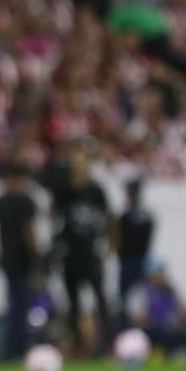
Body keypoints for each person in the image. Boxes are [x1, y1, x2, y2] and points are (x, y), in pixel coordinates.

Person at [51, 146, 113, 354]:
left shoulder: (96, 191)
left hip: (91, 252)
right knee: (73, 303)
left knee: (101, 299)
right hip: (70, 254)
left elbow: (109, 218)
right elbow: (53, 216)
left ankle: (106, 342)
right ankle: (79, 345)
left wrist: (110, 245)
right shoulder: (63, 190)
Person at [0, 162, 39, 360]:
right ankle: (19, 346)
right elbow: (28, 231)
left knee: (12, 301)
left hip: (8, 258)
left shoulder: (0, 201)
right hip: (23, 258)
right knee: (21, 303)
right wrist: (36, 255)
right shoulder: (26, 201)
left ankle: (10, 345)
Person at [116, 177, 155, 325]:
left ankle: (128, 328)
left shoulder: (125, 216)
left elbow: (119, 241)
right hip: (140, 261)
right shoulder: (147, 216)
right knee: (139, 299)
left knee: (129, 300)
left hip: (130, 262)